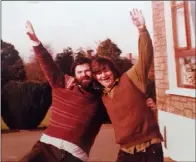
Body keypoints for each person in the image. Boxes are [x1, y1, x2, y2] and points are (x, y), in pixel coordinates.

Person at [19, 21, 106, 162]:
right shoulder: (62, 84)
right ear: (74, 74)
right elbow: (47, 64)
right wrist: (35, 42)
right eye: (80, 72)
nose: (84, 74)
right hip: (46, 147)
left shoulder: (101, 98)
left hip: (75, 155)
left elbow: (122, 105)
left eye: (87, 71)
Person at [91, 9, 163, 162]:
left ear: (112, 70)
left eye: (105, 70)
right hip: (126, 150)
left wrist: (142, 30)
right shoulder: (103, 95)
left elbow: (145, 57)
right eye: (98, 73)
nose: (103, 75)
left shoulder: (130, 78)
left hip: (149, 147)